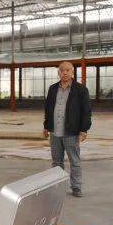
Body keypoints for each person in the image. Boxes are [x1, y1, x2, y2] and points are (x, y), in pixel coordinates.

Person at [43, 61, 92, 197]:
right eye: (62, 70)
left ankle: (76, 187)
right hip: (55, 132)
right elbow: (48, 109)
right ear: (58, 72)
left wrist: (84, 129)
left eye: (67, 70)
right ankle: (57, 186)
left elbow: (86, 111)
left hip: (71, 131)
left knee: (74, 161)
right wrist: (46, 126)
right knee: (56, 161)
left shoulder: (80, 89)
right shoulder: (52, 89)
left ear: (72, 72)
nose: (65, 72)